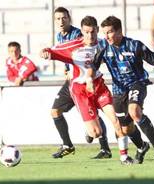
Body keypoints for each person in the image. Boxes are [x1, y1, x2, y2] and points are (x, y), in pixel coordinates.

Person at [40, 15, 134, 165]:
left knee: (116, 121)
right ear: (82, 32)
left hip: (99, 87)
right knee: (96, 133)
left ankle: (124, 157)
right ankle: (90, 128)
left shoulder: (103, 44)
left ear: (97, 30)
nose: (90, 36)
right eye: (86, 32)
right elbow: (50, 51)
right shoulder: (72, 46)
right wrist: (45, 52)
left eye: (93, 32)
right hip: (80, 91)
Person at [98, 16, 154, 159]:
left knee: (134, 112)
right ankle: (142, 146)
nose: (106, 36)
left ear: (120, 31)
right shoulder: (103, 47)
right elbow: (91, 64)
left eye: (109, 32)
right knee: (126, 129)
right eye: (104, 33)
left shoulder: (135, 45)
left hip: (137, 83)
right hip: (118, 90)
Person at [50, 7, 112, 159]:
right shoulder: (59, 36)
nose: (61, 21)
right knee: (55, 111)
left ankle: (105, 148)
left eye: (64, 18)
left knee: (94, 114)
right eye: (58, 18)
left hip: (83, 82)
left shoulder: (79, 34)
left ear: (69, 18)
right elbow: (67, 56)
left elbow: (87, 55)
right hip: (72, 82)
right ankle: (67, 145)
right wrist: (67, 69)